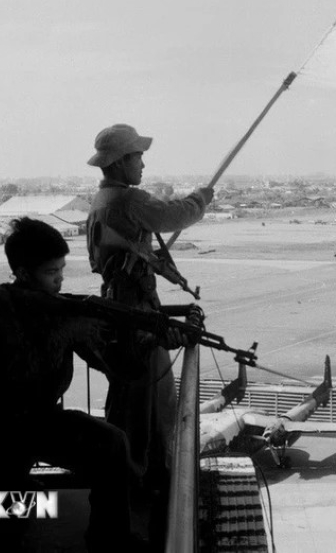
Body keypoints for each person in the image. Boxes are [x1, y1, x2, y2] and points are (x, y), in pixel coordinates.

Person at [0, 218, 137, 552]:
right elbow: (14, 375)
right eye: (51, 272)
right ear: (23, 274)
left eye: (61, 270)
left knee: (113, 443)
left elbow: (109, 363)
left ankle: (110, 539)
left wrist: (145, 342)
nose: (59, 279)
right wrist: (67, 332)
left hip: (36, 420)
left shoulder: (55, 308)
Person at [85, 123, 213, 494]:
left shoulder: (102, 201)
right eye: (138, 156)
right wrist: (201, 199)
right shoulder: (127, 200)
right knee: (152, 410)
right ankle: (148, 490)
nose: (143, 164)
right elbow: (175, 216)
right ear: (120, 162)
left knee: (132, 408)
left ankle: (137, 483)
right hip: (136, 319)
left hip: (123, 312)